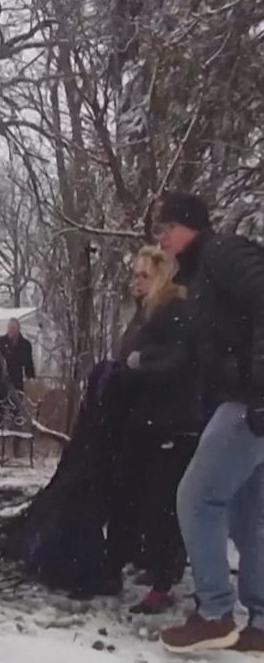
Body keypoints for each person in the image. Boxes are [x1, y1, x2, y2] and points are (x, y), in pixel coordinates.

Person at [153, 192, 264, 653]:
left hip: (250, 401)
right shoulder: (201, 278)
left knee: (196, 497)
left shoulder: (224, 252)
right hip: (241, 400)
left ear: (189, 225)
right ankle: (259, 623)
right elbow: (204, 353)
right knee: (249, 515)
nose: (160, 240)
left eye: (165, 229)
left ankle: (214, 613)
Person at [108, 246, 198, 614]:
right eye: (135, 275)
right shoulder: (147, 312)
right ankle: (139, 564)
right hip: (142, 418)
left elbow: (182, 359)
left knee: (162, 502)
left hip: (169, 421)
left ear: (161, 275)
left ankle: (163, 580)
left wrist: (142, 362)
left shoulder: (175, 311)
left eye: (144, 275)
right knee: (135, 495)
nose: (137, 282)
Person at [0, 318, 37, 428]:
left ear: (18, 329)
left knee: (16, 413)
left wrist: (31, 378)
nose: (11, 331)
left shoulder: (25, 345)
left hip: (16, 383)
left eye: (13, 328)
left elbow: (28, 363)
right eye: (9, 328)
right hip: (1, 382)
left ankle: (16, 439)